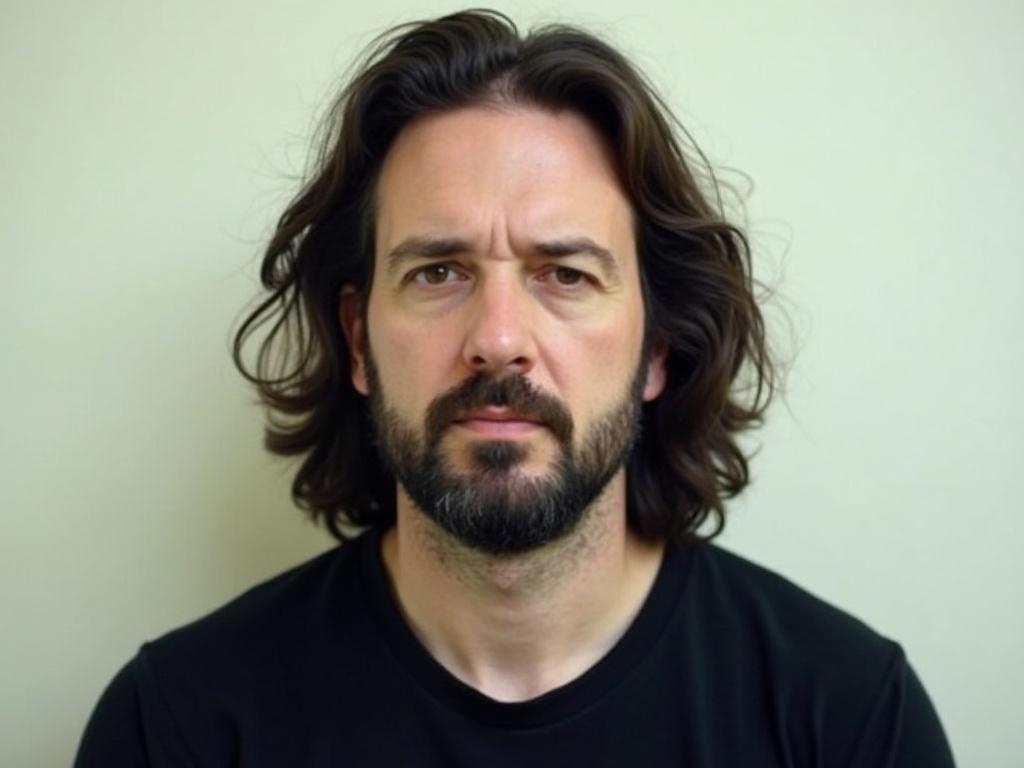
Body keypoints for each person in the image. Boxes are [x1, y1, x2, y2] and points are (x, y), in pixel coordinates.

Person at [74, 9, 955, 766]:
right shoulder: (179, 727)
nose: (498, 341)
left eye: (565, 274)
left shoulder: (848, 720)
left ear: (656, 350)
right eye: (438, 272)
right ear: (356, 339)